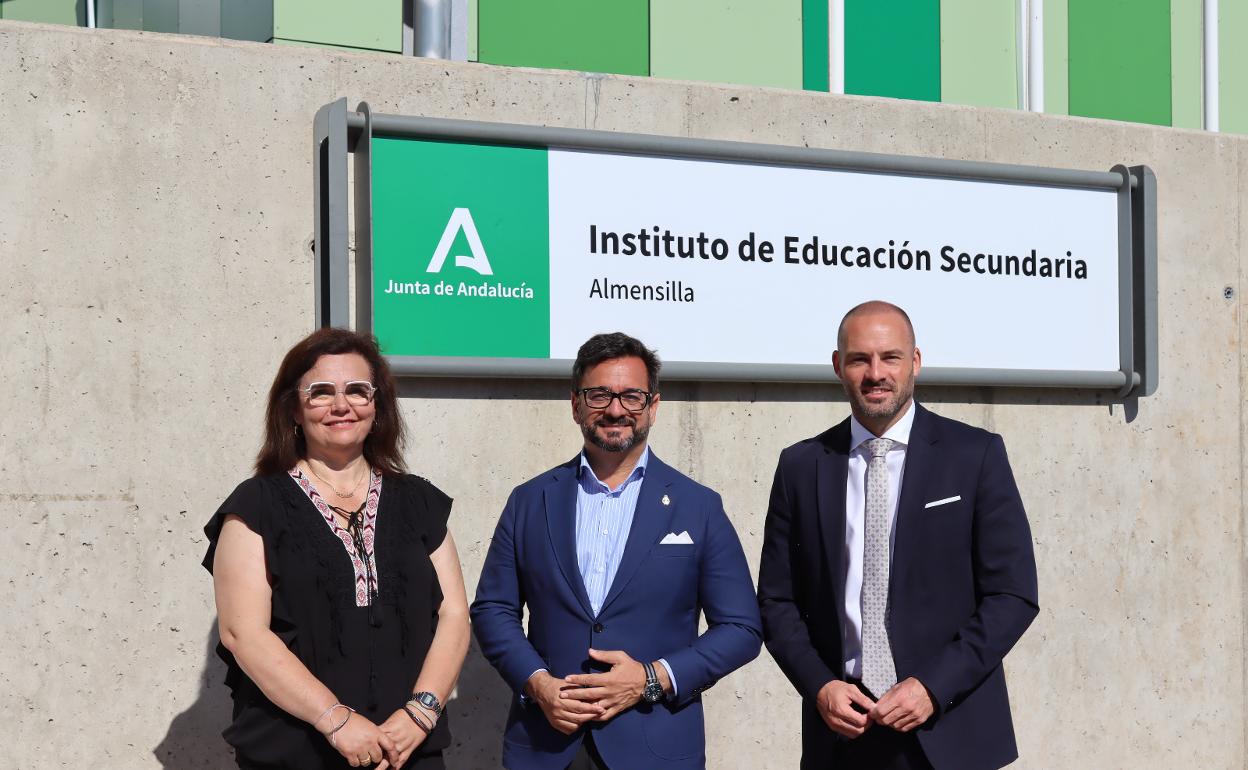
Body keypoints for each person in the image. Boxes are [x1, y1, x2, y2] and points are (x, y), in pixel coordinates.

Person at [757, 301, 1039, 770]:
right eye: (859, 359)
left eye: (890, 357)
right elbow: (776, 601)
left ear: (916, 362)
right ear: (837, 366)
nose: (875, 373)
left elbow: (1012, 595)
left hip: (951, 730)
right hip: (842, 735)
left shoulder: (975, 455)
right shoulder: (801, 466)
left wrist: (932, 686)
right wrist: (820, 686)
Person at [471, 332, 762, 770]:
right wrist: (538, 684)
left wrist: (652, 678)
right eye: (600, 395)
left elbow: (741, 628)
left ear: (653, 406)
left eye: (631, 396)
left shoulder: (698, 506)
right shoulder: (530, 501)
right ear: (575, 405)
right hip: (547, 744)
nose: (615, 409)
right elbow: (493, 609)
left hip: (655, 745)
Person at [204, 328, 470, 770]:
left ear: (377, 406)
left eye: (358, 391)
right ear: (293, 408)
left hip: (407, 750)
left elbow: (455, 614)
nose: (341, 405)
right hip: (296, 751)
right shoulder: (256, 505)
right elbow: (243, 634)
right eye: (321, 392)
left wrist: (421, 712)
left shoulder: (420, 502)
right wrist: (336, 720)